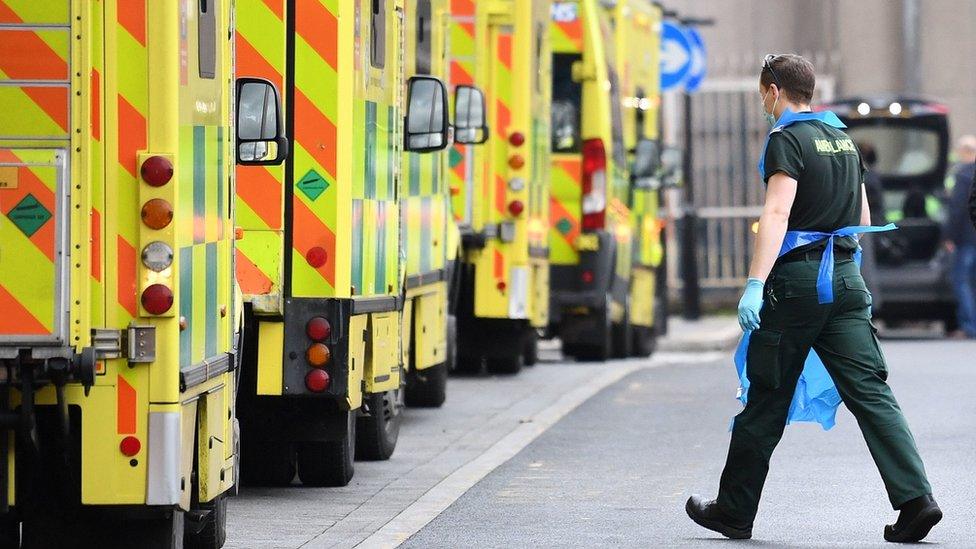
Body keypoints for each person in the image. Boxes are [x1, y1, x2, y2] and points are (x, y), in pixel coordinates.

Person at [685, 54, 940, 543]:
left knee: (766, 397)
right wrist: (845, 264)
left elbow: (777, 212)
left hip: (798, 283)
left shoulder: (788, 138)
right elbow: (862, 213)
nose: (764, 102)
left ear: (775, 91)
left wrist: (756, 283)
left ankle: (734, 512)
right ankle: (916, 500)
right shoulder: (841, 137)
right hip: (846, 276)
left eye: (764, 93)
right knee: (871, 391)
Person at [944, 135, 976, 337]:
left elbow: (957, 209)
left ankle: (969, 326)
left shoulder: (964, 175)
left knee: (961, 281)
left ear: (965, 152)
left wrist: (949, 236)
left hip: (966, 238)